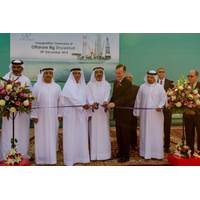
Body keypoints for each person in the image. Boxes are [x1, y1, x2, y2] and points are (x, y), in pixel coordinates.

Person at [0, 60, 31, 160]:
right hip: (8, 113)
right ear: (11, 67)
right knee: (8, 132)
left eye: (18, 67)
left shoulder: (26, 80)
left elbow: (30, 96)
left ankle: (21, 155)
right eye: (14, 67)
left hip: (22, 114)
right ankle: (7, 155)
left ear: (22, 68)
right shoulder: (5, 78)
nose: (16, 69)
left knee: (22, 133)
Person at [31, 67, 62, 165]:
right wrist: (34, 114)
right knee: (41, 135)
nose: (48, 75)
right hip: (40, 116)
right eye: (46, 73)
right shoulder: (37, 86)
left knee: (52, 136)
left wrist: (60, 114)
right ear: (42, 74)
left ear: (52, 75)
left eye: (50, 73)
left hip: (53, 117)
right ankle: (41, 158)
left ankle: (52, 159)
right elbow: (34, 101)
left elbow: (60, 102)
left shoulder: (57, 87)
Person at [133, 70, 167, 160]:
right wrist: (137, 112)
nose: (149, 79)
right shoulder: (142, 87)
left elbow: (164, 98)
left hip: (157, 115)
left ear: (155, 78)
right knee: (145, 132)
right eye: (148, 77)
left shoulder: (160, 87)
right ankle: (145, 152)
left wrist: (160, 106)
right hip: (145, 115)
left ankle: (157, 154)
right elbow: (138, 100)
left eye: (151, 77)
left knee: (156, 133)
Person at [61, 68, 90, 166]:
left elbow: (88, 99)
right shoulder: (68, 86)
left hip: (81, 115)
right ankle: (70, 159)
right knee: (71, 136)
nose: (77, 75)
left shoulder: (84, 86)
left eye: (78, 73)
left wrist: (88, 110)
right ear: (71, 75)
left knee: (81, 135)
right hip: (71, 116)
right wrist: (82, 105)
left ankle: (82, 157)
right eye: (75, 73)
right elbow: (72, 99)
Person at [108, 64, 133, 162]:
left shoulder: (128, 83)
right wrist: (109, 102)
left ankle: (125, 156)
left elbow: (126, 98)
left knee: (125, 135)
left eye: (120, 73)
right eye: (116, 73)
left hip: (125, 114)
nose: (118, 74)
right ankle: (120, 152)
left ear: (124, 73)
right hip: (117, 114)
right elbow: (114, 96)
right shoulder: (115, 82)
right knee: (119, 135)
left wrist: (115, 103)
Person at [87, 67, 111, 161]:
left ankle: (104, 155)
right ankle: (94, 155)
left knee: (103, 132)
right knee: (93, 132)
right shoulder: (89, 84)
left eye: (101, 72)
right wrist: (92, 103)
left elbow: (107, 95)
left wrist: (105, 101)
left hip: (103, 113)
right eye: (97, 72)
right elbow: (88, 95)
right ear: (94, 74)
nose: (99, 74)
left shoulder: (107, 84)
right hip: (94, 112)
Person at [157, 67, 174, 153]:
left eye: (163, 72)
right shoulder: (154, 82)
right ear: (157, 73)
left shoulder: (170, 83)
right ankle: (156, 145)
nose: (161, 73)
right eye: (160, 72)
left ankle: (166, 146)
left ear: (165, 73)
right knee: (156, 128)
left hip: (167, 110)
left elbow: (174, 95)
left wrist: (170, 104)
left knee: (167, 128)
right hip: (156, 110)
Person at [183, 69, 200, 155]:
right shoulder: (184, 87)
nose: (189, 78)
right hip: (187, 115)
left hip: (198, 115)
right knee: (189, 134)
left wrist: (196, 110)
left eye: (191, 76)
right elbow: (181, 99)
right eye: (188, 76)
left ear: (196, 77)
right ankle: (190, 151)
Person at [125, 73, 139, 150]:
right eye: (127, 77)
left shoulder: (137, 88)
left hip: (133, 112)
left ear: (132, 79)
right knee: (124, 130)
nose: (128, 78)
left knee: (133, 129)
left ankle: (134, 144)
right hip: (124, 112)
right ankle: (126, 144)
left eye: (130, 77)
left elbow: (138, 99)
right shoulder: (121, 88)